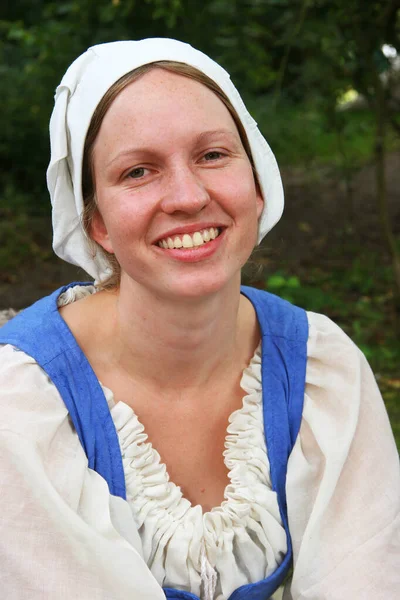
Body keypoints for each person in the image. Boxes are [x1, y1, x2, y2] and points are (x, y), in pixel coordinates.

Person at [0, 38, 398, 600]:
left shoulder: (322, 371)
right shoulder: (19, 408)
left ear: (257, 185)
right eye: (139, 171)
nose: (187, 197)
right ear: (97, 223)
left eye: (212, 155)